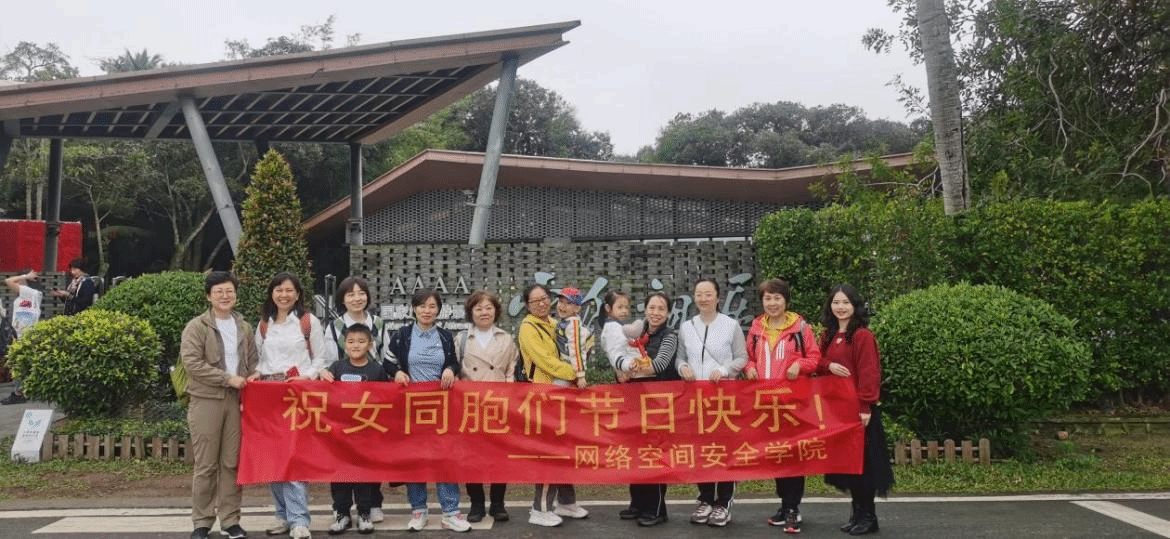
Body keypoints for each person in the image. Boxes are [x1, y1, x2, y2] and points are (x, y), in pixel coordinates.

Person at [382, 289, 470, 533]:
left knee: (445, 458)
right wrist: (397, 372)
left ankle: (450, 512)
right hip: (411, 408)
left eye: (432, 306)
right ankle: (418, 510)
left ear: (438, 310)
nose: (427, 311)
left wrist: (450, 369)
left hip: (441, 408)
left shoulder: (445, 337)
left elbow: (453, 362)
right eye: (422, 306)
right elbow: (388, 362)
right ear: (414, 308)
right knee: (415, 459)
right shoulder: (402, 335)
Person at [251, 272, 330, 539]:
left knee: (293, 458)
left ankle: (299, 520)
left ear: (297, 295)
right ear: (271, 293)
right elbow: (259, 360)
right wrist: (256, 373)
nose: (283, 295)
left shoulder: (308, 322)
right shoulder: (264, 324)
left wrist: (305, 377)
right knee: (274, 458)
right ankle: (283, 516)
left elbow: (320, 360)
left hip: (297, 396)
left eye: (289, 290)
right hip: (269, 398)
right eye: (278, 290)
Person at [180, 271, 259, 539]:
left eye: (229, 291)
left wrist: (253, 376)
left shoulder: (244, 327)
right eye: (219, 292)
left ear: (236, 295)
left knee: (231, 463)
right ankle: (201, 522)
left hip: (236, 401)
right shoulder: (196, 327)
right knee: (206, 465)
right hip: (206, 400)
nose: (225, 296)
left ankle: (230, 520)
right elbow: (193, 364)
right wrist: (227, 379)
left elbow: (252, 361)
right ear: (208, 296)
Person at [743, 278, 821, 533]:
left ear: (786, 300)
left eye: (777, 298)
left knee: (793, 456)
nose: (773, 303)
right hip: (766, 405)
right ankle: (784, 504)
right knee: (776, 454)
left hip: (793, 405)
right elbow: (748, 358)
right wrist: (749, 368)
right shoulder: (756, 328)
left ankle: (792, 508)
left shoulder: (800, 328)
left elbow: (815, 357)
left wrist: (799, 365)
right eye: (768, 298)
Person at [818, 284, 894, 536]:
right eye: (836, 302)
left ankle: (868, 516)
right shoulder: (828, 335)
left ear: (855, 306)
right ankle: (856, 513)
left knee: (863, 465)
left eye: (846, 303)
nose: (840, 307)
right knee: (848, 464)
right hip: (836, 410)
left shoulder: (862, 336)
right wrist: (828, 366)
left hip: (859, 411)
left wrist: (865, 405)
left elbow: (869, 372)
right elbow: (816, 362)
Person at [677, 277, 748, 527]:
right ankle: (706, 499)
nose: (703, 298)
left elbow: (742, 357)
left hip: (723, 398)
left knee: (725, 450)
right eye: (699, 294)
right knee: (702, 450)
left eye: (708, 294)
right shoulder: (687, 327)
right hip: (696, 399)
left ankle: (723, 503)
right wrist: (683, 367)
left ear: (718, 298)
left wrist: (725, 370)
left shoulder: (730, 325)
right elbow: (680, 358)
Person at [516, 284, 586, 527]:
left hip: (562, 394)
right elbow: (545, 361)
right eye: (535, 301)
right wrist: (576, 372)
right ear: (527, 306)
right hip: (544, 396)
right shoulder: (528, 328)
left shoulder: (556, 323)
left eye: (544, 298)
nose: (542, 304)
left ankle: (566, 502)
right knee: (549, 453)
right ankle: (540, 508)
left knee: (564, 450)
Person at [322, 275, 388, 524]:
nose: (356, 298)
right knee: (341, 453)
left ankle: (372, 503)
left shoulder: (378, 323)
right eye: (350, 294)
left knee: (371, 452)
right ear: (343, 299)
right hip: (343, 402)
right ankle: (341, 507)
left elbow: (386, 357)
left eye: (361, 293)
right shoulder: (334, 326)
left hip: (373, 396)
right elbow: (329, 360)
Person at [454, 290, 519, 524]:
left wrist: (509, 395)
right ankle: (477, 503)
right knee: (472, 456)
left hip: (499, 403)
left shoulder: (506, 338)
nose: (484, 312)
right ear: (471, 312)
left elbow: (512, 369)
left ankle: (498, 503)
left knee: (499, 455)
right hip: (471, 405)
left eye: (489, 308)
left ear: (496, 311)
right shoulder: (461, 339)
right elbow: (455, 369)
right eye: (479, 308)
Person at [627, 291, 681, 527]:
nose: (655, 313)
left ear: (667, 313)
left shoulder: (670, 336)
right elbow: (621, 360)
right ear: (645, 309)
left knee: (654, 454)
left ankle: (657, 508)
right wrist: (621, 370)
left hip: (659, 404)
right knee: (635, 453)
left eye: (661, 309)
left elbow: (659, 365)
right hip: (634, 402)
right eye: (652, 307)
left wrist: (628, 368)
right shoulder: (636, 334)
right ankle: (637, 503)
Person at [598, 290, 641, 519]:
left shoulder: (620, 327)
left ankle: (638, 501)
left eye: (626, 306)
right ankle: (638, 502)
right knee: (637, 445)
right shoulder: (613, 328)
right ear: (608, 309)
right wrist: (625, 367)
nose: (624, 311)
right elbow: (616, 354)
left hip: (633, 383)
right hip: (630, 385)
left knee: (636, 447)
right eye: (620, 307)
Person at [2, 270, 44, 405]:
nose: (17, 282)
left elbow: (7, 281)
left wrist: (25, 276)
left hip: (24, 335)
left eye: (19, 280)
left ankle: (19, 393)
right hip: (22, 334)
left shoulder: (30, 292)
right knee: (22, 365)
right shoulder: (29, 295)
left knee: (19, 365)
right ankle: (23, 391)